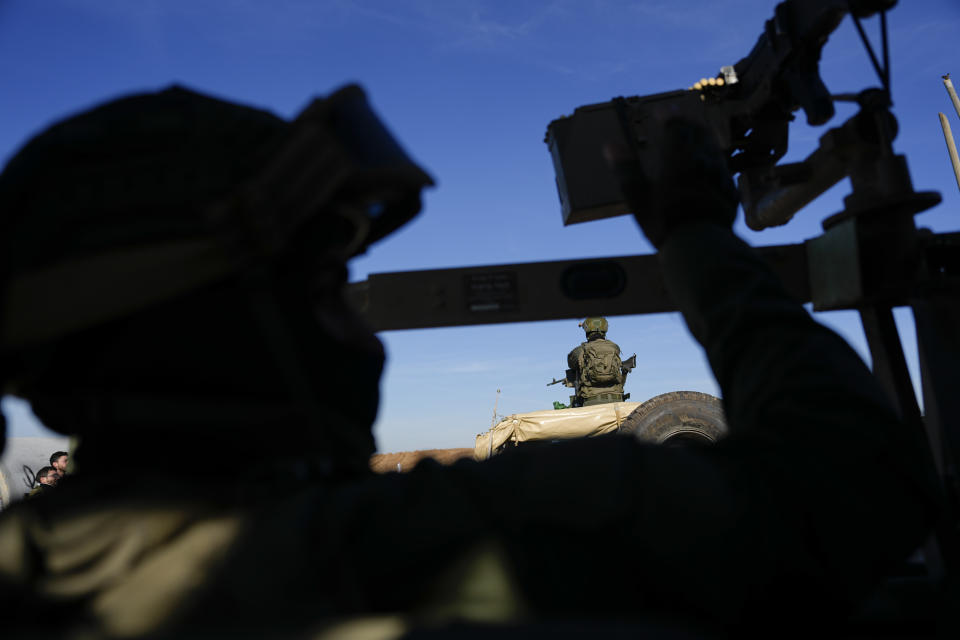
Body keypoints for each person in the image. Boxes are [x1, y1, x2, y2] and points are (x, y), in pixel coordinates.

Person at [0, 86, 941, 637]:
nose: (361, 336)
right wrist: (697, 236)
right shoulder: (407, 549)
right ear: (211, 319)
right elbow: (853, 482)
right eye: (324, 285)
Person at [566, 316, 628, 406]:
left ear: (587, 330)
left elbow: (571, 364)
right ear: (605, 328)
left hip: (591, 401)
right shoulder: (615, 347)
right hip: (617, 400)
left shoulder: (580, 351)